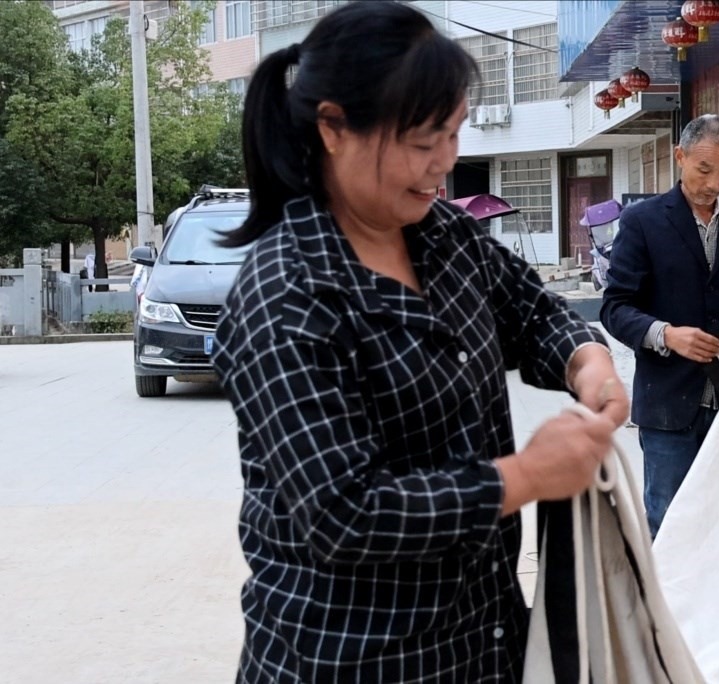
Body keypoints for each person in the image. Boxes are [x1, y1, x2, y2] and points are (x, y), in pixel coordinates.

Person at [209, 4, 630, 681]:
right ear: (333, 128)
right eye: (421, 140)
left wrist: (589, 362)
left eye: (454, 133)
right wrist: (525, 476)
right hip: (354, 659)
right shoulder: (287, 294)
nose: (444, 163)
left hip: (481, 641)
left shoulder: (446, 237)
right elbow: (344, 512)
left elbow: (534, 313)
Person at [601, 115, 719, 538]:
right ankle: (662, 586)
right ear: (680, 157)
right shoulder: (642, 221)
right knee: (670, 523)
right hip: (668, 403)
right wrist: (666, 334)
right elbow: (615, 307)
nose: (714, 183)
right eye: (704, 170)